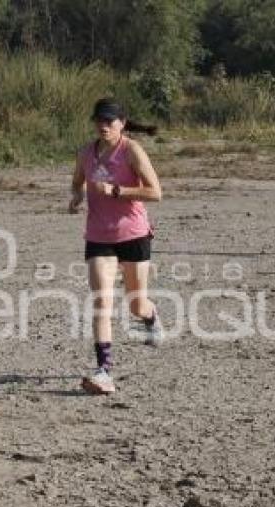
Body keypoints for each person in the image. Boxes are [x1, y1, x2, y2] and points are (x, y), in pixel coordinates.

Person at [69, 98, 164, 395]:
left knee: (136, 304)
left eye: (109, 121)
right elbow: (77, 182)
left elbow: (155, 192)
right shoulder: (86, 153)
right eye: (99, 120)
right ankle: (104, 371)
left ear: (122, 123)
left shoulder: (131, 151)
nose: (103, 125)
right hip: (98, 236)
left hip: (133, 235)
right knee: (102, 303)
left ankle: (150, 316)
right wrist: (77, 197)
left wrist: (118, 191)